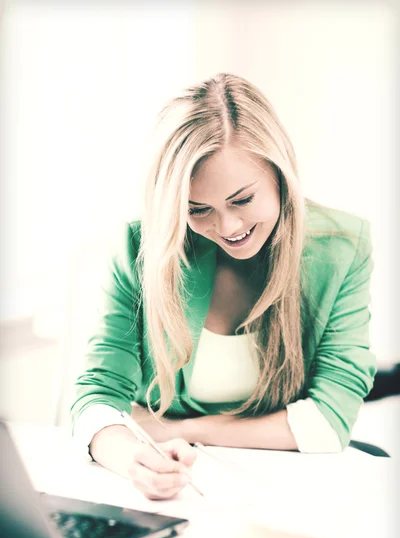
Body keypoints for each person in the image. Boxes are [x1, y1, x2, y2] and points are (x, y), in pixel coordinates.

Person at [71, 73, 376, 500]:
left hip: (289, 490)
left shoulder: (342, 247)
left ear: (280, 174)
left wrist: (181, 431)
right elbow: (95, 400)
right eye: (198, 209)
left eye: (243, 200)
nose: (228, 227)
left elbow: (330, 420)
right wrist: (132, 459)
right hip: (175, 489)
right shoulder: (141, 246)